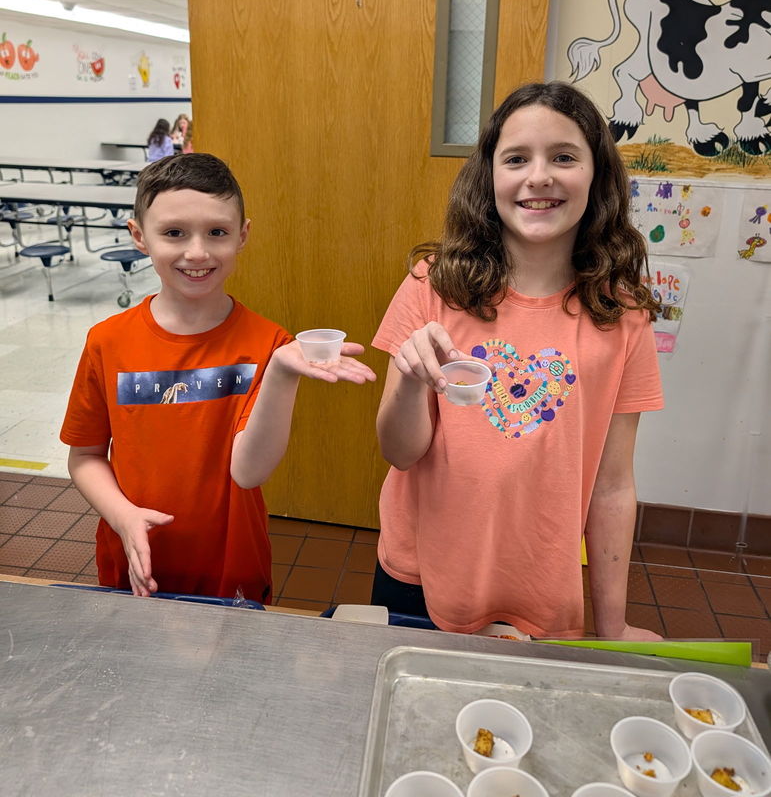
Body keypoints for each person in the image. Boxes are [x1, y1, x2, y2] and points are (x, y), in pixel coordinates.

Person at [372, 81, 663, 640]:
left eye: (563, 157)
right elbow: (399, 452)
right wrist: (411, 381)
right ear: (490, 177)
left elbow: (612, 487)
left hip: (543, 578)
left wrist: (612, 625)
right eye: (516, 159)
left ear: (597, 176)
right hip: (420, 570)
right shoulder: (434, 286)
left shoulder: (621, 312)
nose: (539, 176)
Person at [60, 153, 375, 600]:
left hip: (233, 567)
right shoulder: (107, 342)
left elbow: (249, 472)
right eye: (174, 233)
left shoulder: (270, 345)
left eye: (217, 233)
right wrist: (123, 517)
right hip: (133, 559)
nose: (197, 252)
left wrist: (282, 375)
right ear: (139, 237)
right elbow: (86, 455)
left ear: (242, 236)